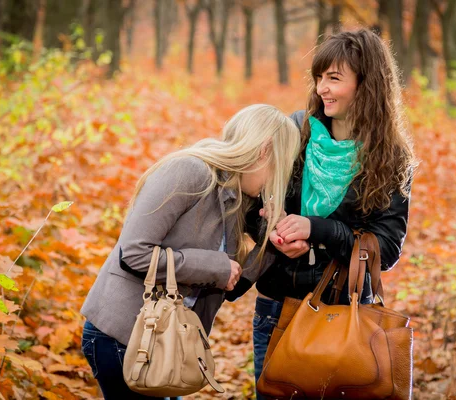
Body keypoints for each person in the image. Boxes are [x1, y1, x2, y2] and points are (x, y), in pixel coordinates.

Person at [226, 29, 416, 399]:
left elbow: (387, 247)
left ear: (367, 83)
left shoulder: (392, 157)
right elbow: (249, 199)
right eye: (318, 78)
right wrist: (277, 235)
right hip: (278, 308)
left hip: (346, 317)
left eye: (333, 78)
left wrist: (317, 230)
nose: (321, 89)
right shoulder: (294, 132)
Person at [80, 104, 301, 400]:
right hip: (124, 338)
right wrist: (213, 266)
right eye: (278, 167)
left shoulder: (232, 197)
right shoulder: (189, 171)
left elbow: (229, 285)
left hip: (168, 344)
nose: (274, 182)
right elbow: (133, 253)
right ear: (264, 151)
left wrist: (272, 245)